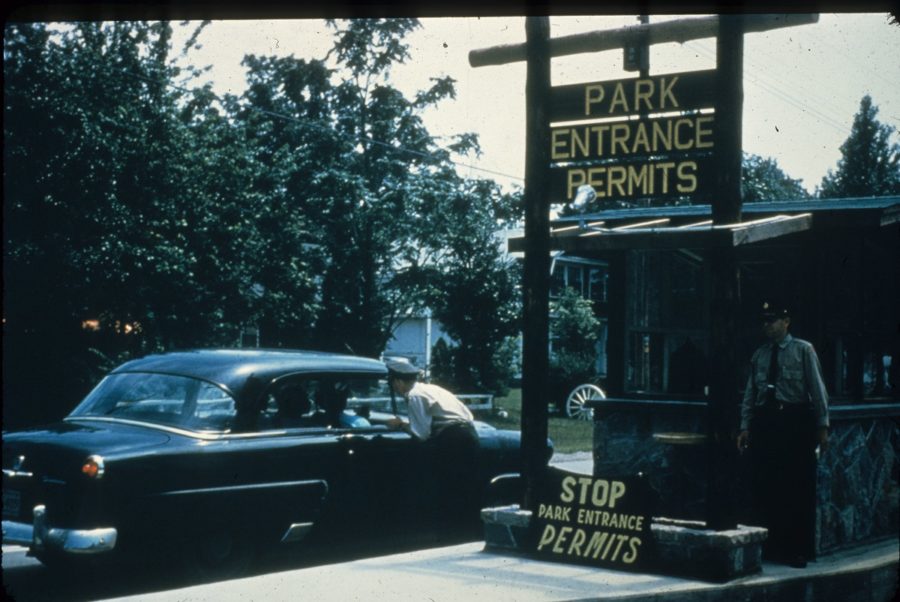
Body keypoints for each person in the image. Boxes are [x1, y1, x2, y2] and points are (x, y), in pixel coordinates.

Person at [736, 300, 829, 569]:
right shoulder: (760, 355)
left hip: (794, 423)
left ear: (786, 321)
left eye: (773, 320)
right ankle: (772, 547)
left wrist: (822, 428)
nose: (768, 326)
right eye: (764, 321)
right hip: (767, 424)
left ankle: (796, 549)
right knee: (767, 485)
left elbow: (818, 390)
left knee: (796, 488)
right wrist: (745, 426)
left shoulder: (803, 350)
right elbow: (750, 394)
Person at [384, 360, 479, 526]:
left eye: (393, 383)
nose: (394, 389)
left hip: (453, 439)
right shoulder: (430, 388)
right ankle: (464, 525)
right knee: (464, 485)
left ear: (398, 381)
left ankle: (450, 526)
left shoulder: (414, 396)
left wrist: (399, 424)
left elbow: (421, 435)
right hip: (469, 434)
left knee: (449, 487)